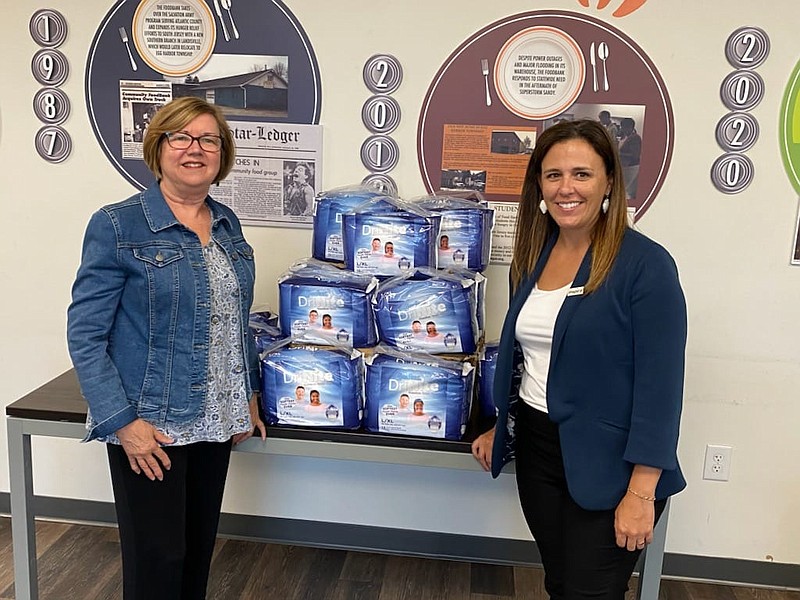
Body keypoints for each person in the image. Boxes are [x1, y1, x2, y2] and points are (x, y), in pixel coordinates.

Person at [470, 119, 686, 600]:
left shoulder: (645, 266)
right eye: (553, 175)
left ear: (609, 180)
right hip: (538, 449)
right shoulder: (532, 256)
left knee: (591, 592)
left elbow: (661, 389)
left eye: (582, 174)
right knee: (562, 583)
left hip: (612, 466)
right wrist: (501, 423)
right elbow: (528, 357)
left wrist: (641, 491)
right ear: (539, 186)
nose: (566, 188)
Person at [67, 96, 267, 600]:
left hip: (216, 419)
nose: (194, 149)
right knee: (158, 561)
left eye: (208, 139)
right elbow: (85, 335)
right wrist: (122, 423)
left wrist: (247, 393)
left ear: (222, 154)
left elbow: (232, 322)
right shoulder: (118, 225)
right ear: (158, 148)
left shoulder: (226, 224)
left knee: (196, 552)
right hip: (152, 422)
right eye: (181, 137)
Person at [618, 117, 642, 200]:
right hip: (624, 167)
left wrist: (619, 153)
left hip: (631, 168)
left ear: (630, 127)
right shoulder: (624, 137)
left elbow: (635, 155)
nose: (622, 129)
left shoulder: (635, 138)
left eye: (624, 127)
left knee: (628, 190)